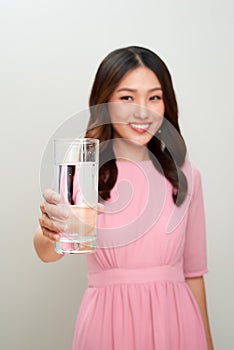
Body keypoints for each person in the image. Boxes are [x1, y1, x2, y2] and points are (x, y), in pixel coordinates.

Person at [34, 46, 214, 350]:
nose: (142, 110)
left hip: (178, 325)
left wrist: (207, 344)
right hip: (107, 326)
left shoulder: (187, 174)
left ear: (166, 104)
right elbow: (47, 251)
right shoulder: (82, 170)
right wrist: (51, 231)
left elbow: (194, 274)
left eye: (154, 97)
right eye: (127, 97)